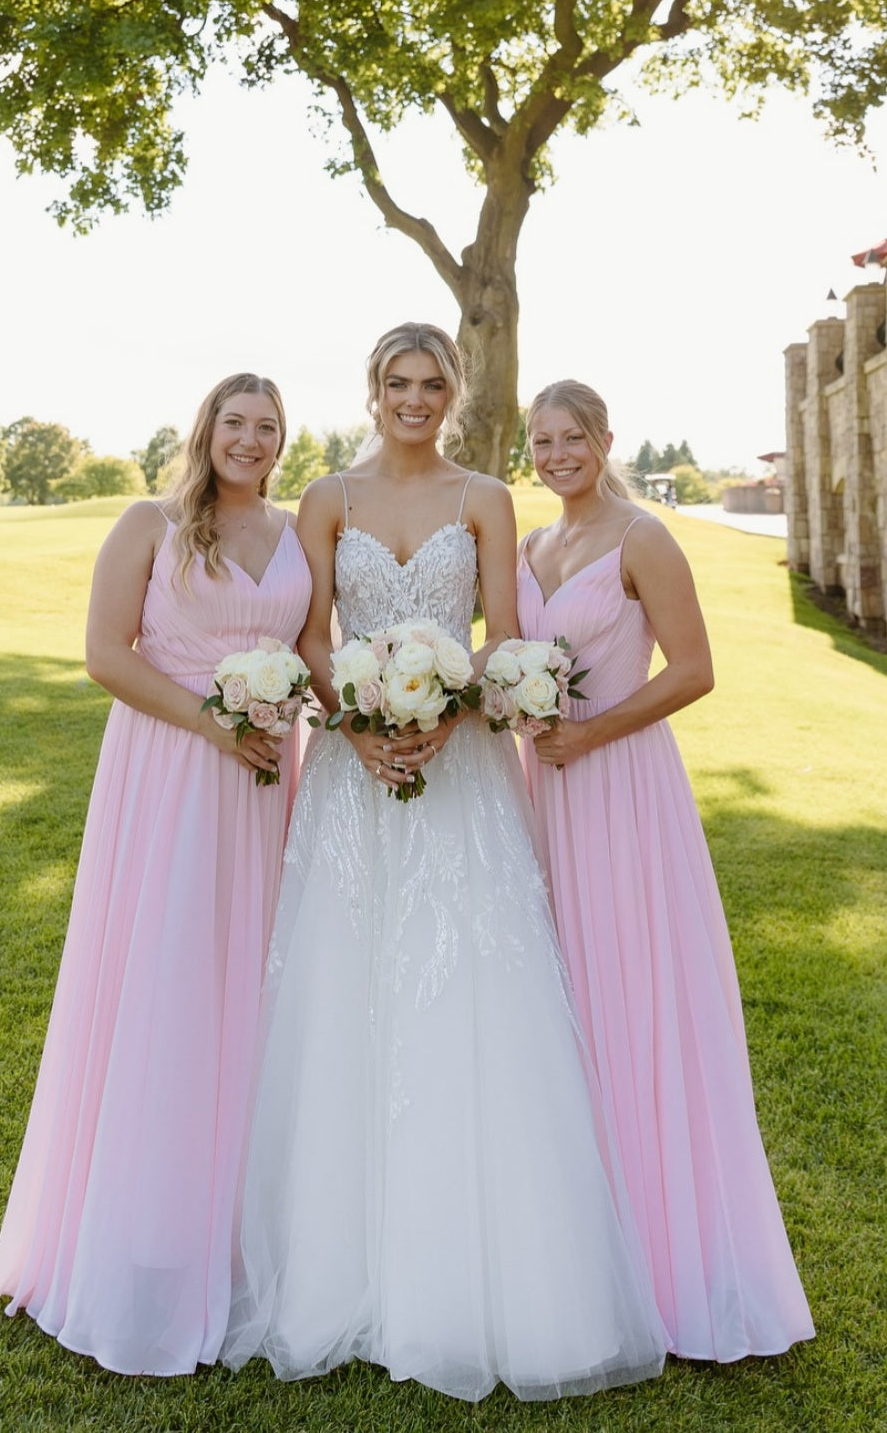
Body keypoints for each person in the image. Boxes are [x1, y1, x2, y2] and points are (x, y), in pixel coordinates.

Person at [223, 326, 667, 1402]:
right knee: (347, 994)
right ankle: (339, 1272)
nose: (413, 399)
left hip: (461, 773)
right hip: (350, 777)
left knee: (470, 995)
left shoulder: (486, 498)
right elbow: (314, 636)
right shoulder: (327, 497)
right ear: (373, 391)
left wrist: (447, 710)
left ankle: (476, 1279)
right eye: (396, 382)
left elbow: (504, 635)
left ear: (453, 394)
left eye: (430, 384)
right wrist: (360, 722)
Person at [0, 373, 313, 1375]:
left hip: (266, 782)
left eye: (267, 427)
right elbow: (104, 654)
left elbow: (313, 652)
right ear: (206, 430)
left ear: (282, 441)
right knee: (168, 982)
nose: (250, 440)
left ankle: (238, 1234)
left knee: (254, 984)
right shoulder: (149, 524)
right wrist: (211, 724)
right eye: (235, 423)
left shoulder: (298, 533)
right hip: (172, 771)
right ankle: (144, 1238)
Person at [516, 378, 815, 1362]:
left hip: (621, 789)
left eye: (573, 437)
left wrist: (592, 731)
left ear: (606, 440)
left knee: (635, 996)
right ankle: (583, 1244)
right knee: (564, 998)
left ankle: (670, 1260)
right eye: (542, 441)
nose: (558, 455)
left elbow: (693, 670)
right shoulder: (530, 548)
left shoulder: (643, 539)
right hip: (543, 791)